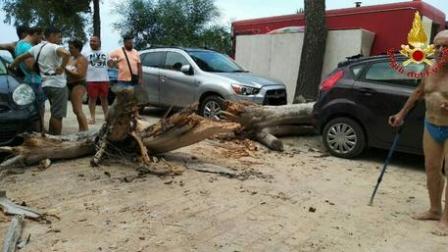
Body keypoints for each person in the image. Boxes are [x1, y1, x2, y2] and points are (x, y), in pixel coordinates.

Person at [389, 30, 448, 235]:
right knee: (431, 168)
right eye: (437, 46)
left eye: (445, 46)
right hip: (431, 124)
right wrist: (401, 114)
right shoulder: (430, 69)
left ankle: (446, 220)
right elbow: (418, 93)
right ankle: (434, 209)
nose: (441, 50)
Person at [11, 27, 70, 135]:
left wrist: (12, 66)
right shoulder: (54, 47)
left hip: (44, 84)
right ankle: (55, 140)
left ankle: (47, 136)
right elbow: (66, 54)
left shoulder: (36, 48)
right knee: (57, 115)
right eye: (58, 36)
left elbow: (19, 58)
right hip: (58, 85)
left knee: (43, 112)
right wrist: (62, 67)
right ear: (51, 35)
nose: (60, 39)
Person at [14, 26, 45, 131]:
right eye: (41, 36)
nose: (42, 38)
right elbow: (31, 67)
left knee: (31, 109)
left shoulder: (19, 44)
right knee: (38, 110)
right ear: (36, 33)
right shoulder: (27, 47)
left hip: (28, 79)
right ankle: (38, 132)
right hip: (34, 81)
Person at [83, 36, 110, 124]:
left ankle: (107, 117)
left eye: (94, 41)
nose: (92, 42)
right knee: (92, 99)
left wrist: (115, 63)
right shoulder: (85, 53)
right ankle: (92, 117)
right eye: (91, 41)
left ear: (99, 42)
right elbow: (82, 65)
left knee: (104, 99)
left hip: (104, 79)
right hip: (91, 80)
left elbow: (111, 64)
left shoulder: (106, 52)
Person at [66, 39, 88, 132]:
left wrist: (65, 70)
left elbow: (80, 74)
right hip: (70, 84)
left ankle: (85, 130)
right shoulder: (70, 58)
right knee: (75, 110)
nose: (69, 49)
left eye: (72, 48)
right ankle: (81, 129)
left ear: (78, 48)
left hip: (78, 84)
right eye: (69, 47)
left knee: (78, 110)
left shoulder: (81, 59)